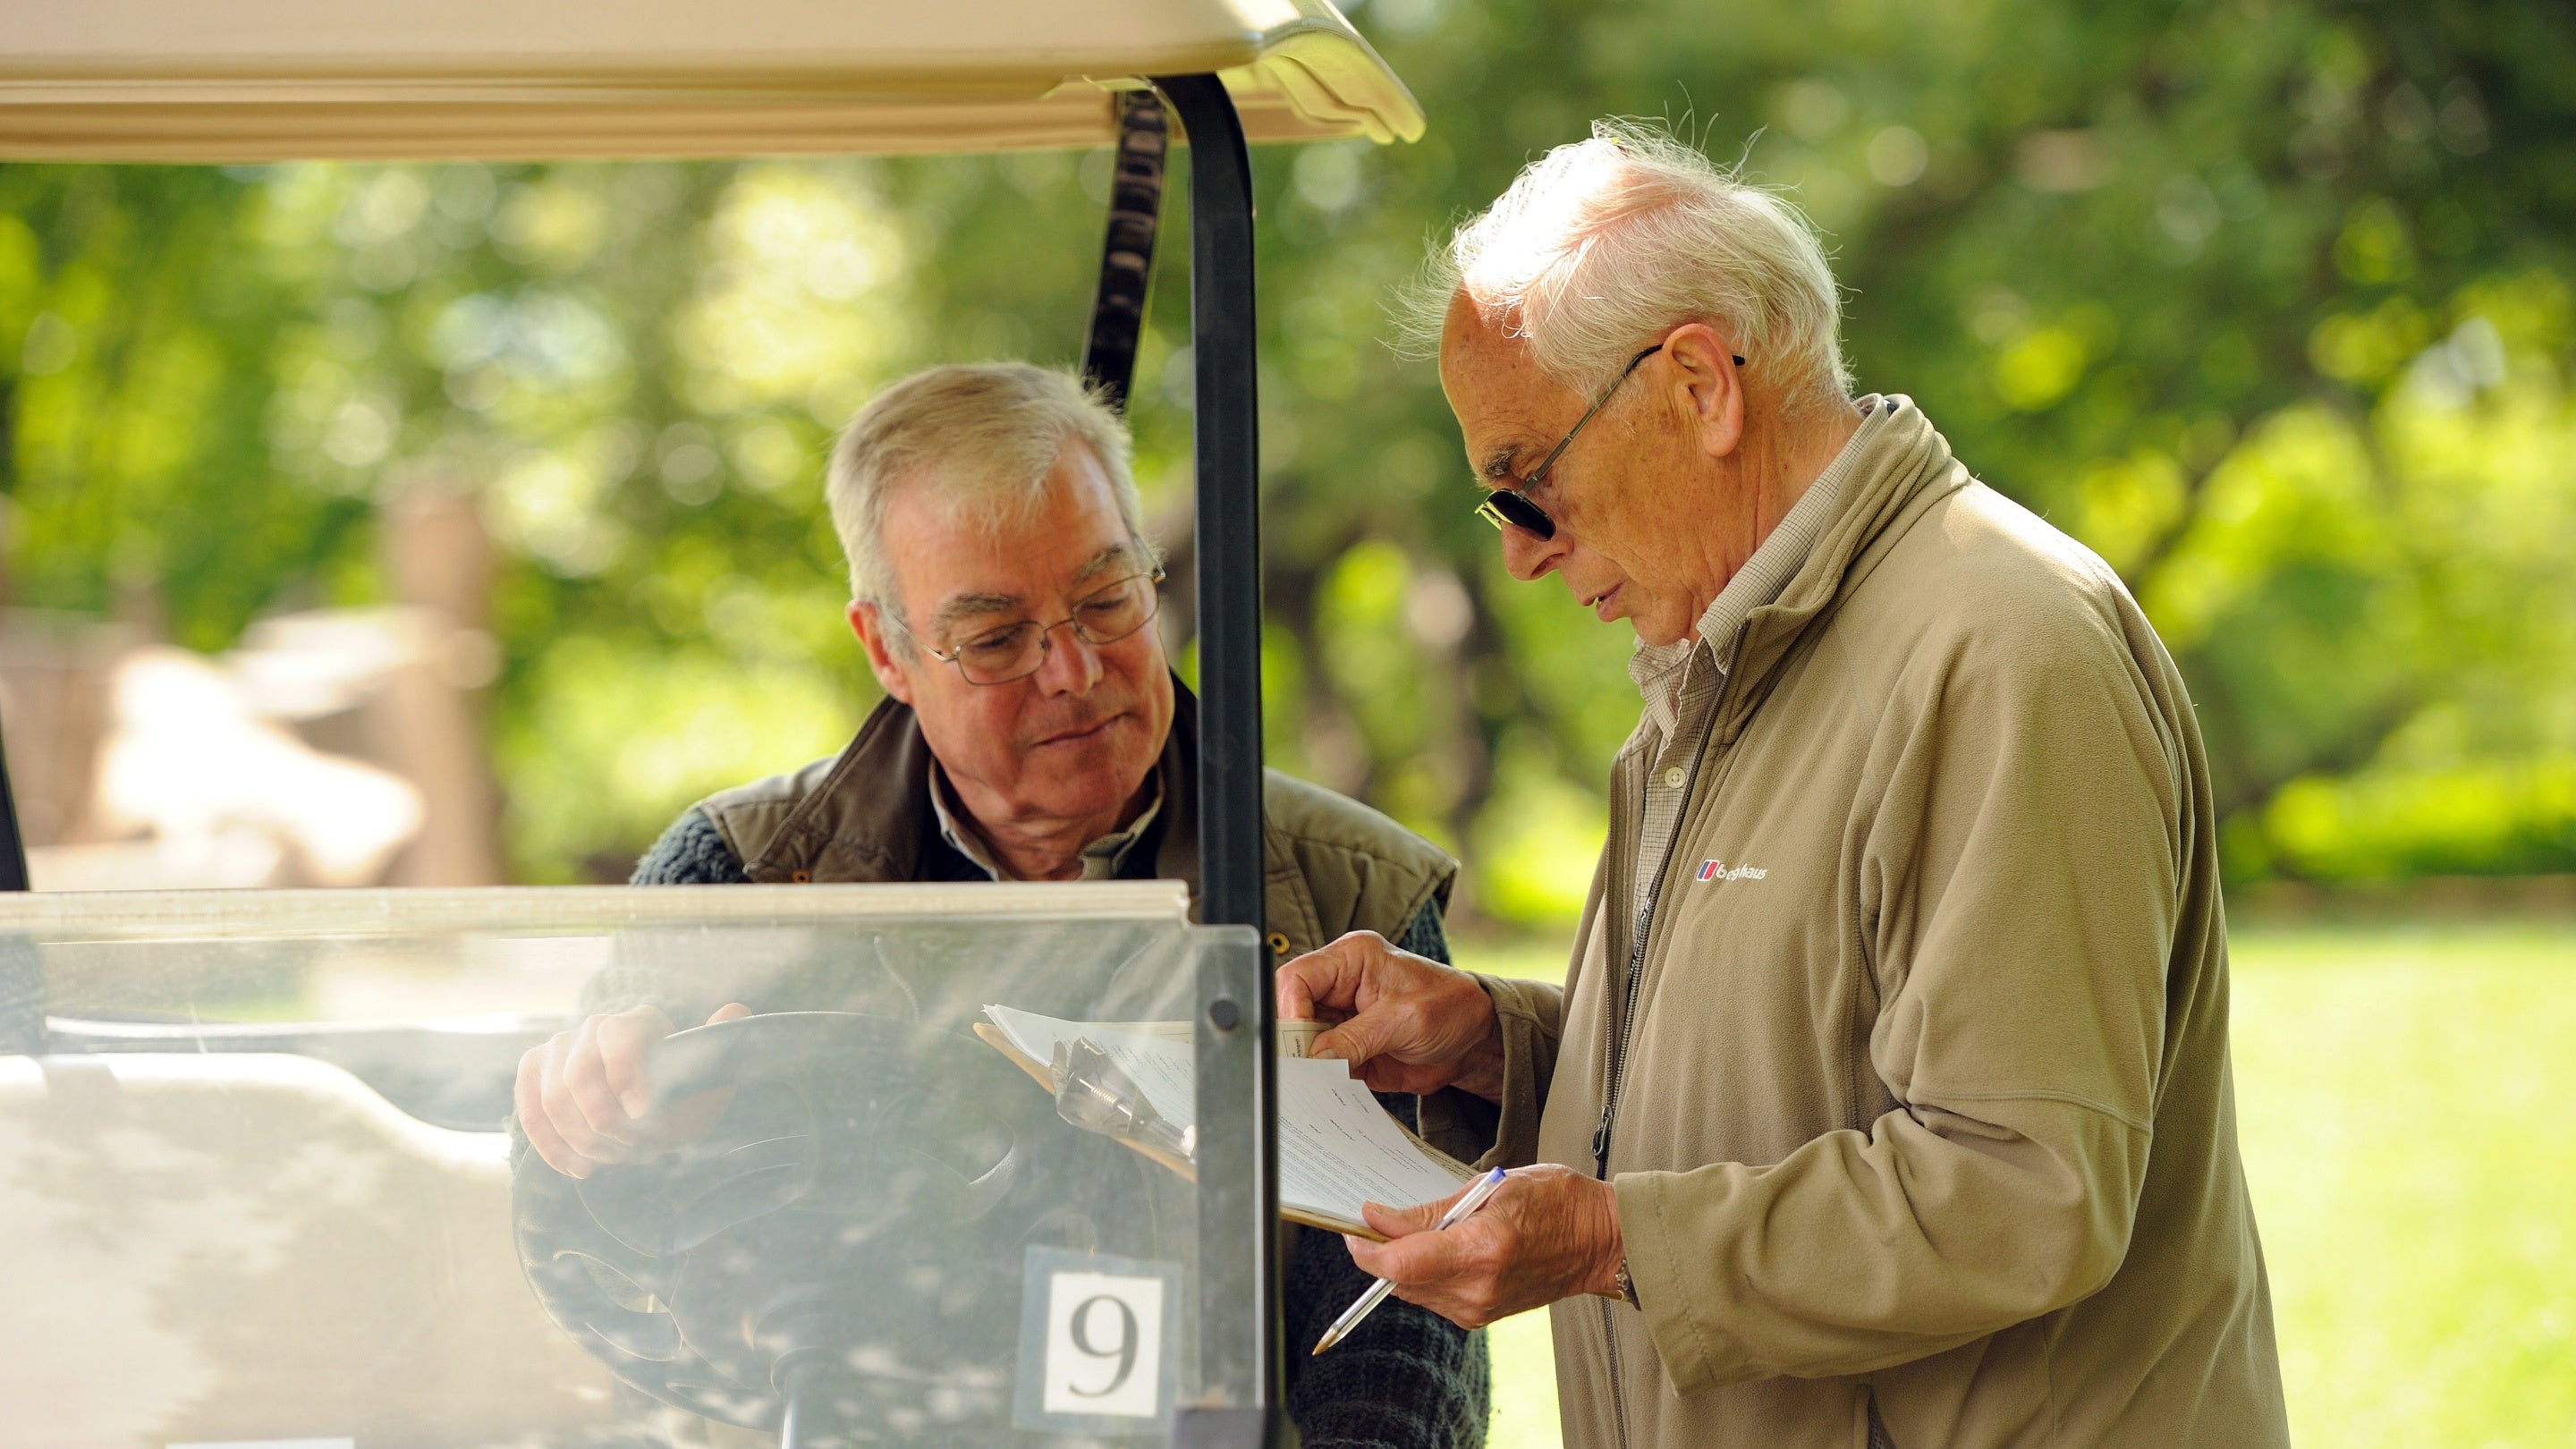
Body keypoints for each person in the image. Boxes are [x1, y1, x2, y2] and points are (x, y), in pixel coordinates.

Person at [1276, 123, 2290, 1448]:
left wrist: (1608, 1242)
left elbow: (2026, 1191)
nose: (1525, 556)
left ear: (1697, 383)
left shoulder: (1997, 649)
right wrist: (1494, 1045)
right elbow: (1778, 1072)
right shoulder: (1737, 649)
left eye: (1526, 488)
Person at [513, 362, 1486, 1448]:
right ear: (887, 650)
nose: (1072, 670)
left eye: (1107, 601)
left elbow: (1406, 1339)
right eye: (994, 637)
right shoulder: (735, 877)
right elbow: (582, 1236)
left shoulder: (1354, 897)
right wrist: (601, 1110)